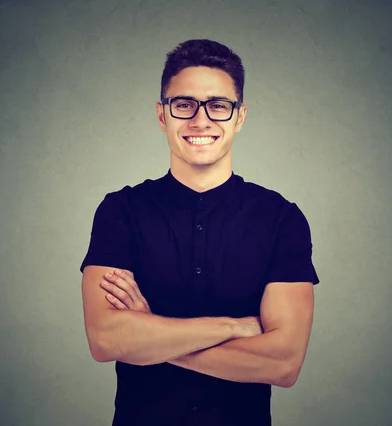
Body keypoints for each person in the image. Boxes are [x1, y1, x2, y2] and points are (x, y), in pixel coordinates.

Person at [80, 39, 319, 426]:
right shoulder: (119, 211)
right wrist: (232, 327)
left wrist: (152, 333)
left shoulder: (281, 219)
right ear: (162, 115)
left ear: (239, 117)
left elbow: (283, 362)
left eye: (218, 106)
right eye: (184, 104)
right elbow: (106, 339)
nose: (201, 120)